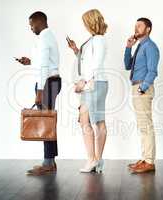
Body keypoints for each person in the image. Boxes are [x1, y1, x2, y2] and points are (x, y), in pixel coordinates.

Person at [16, 11, 62, 176]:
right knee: (48, 122)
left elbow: (44, 67)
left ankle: (48, 162)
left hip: (47, 84)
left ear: (40, 21)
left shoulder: (44, 38)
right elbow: (43, 62)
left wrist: (40, 92)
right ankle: (50, 161)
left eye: (31, 24)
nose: (31, 28)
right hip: (50, 81)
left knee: (46, 123)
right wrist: (30, 61)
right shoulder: (47, 37)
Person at [67, 9, 108, 173]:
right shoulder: (93, 39)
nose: (84, 25)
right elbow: (88, 61)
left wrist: (83, 83)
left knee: (94, 122)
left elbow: (96, 64)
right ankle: (95, 159)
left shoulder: (98, 39)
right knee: (89, 121)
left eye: (86, 21)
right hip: (93, 84)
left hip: (94, 83)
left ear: (91, 21)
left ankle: (94, 159)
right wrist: (76, 50)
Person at [124, 18, 160, 173]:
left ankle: (149, 161)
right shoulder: (139, 46)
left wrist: (143, 88)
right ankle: (145, 158)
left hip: (142, 88)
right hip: (137, 87)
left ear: (148, 29)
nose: (136, 28)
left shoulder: (150, 47)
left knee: (146, 125)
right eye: (135, 26)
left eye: (139, 26)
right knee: (142, 125)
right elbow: (127, 65)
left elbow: (153, 71)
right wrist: (128, 48)